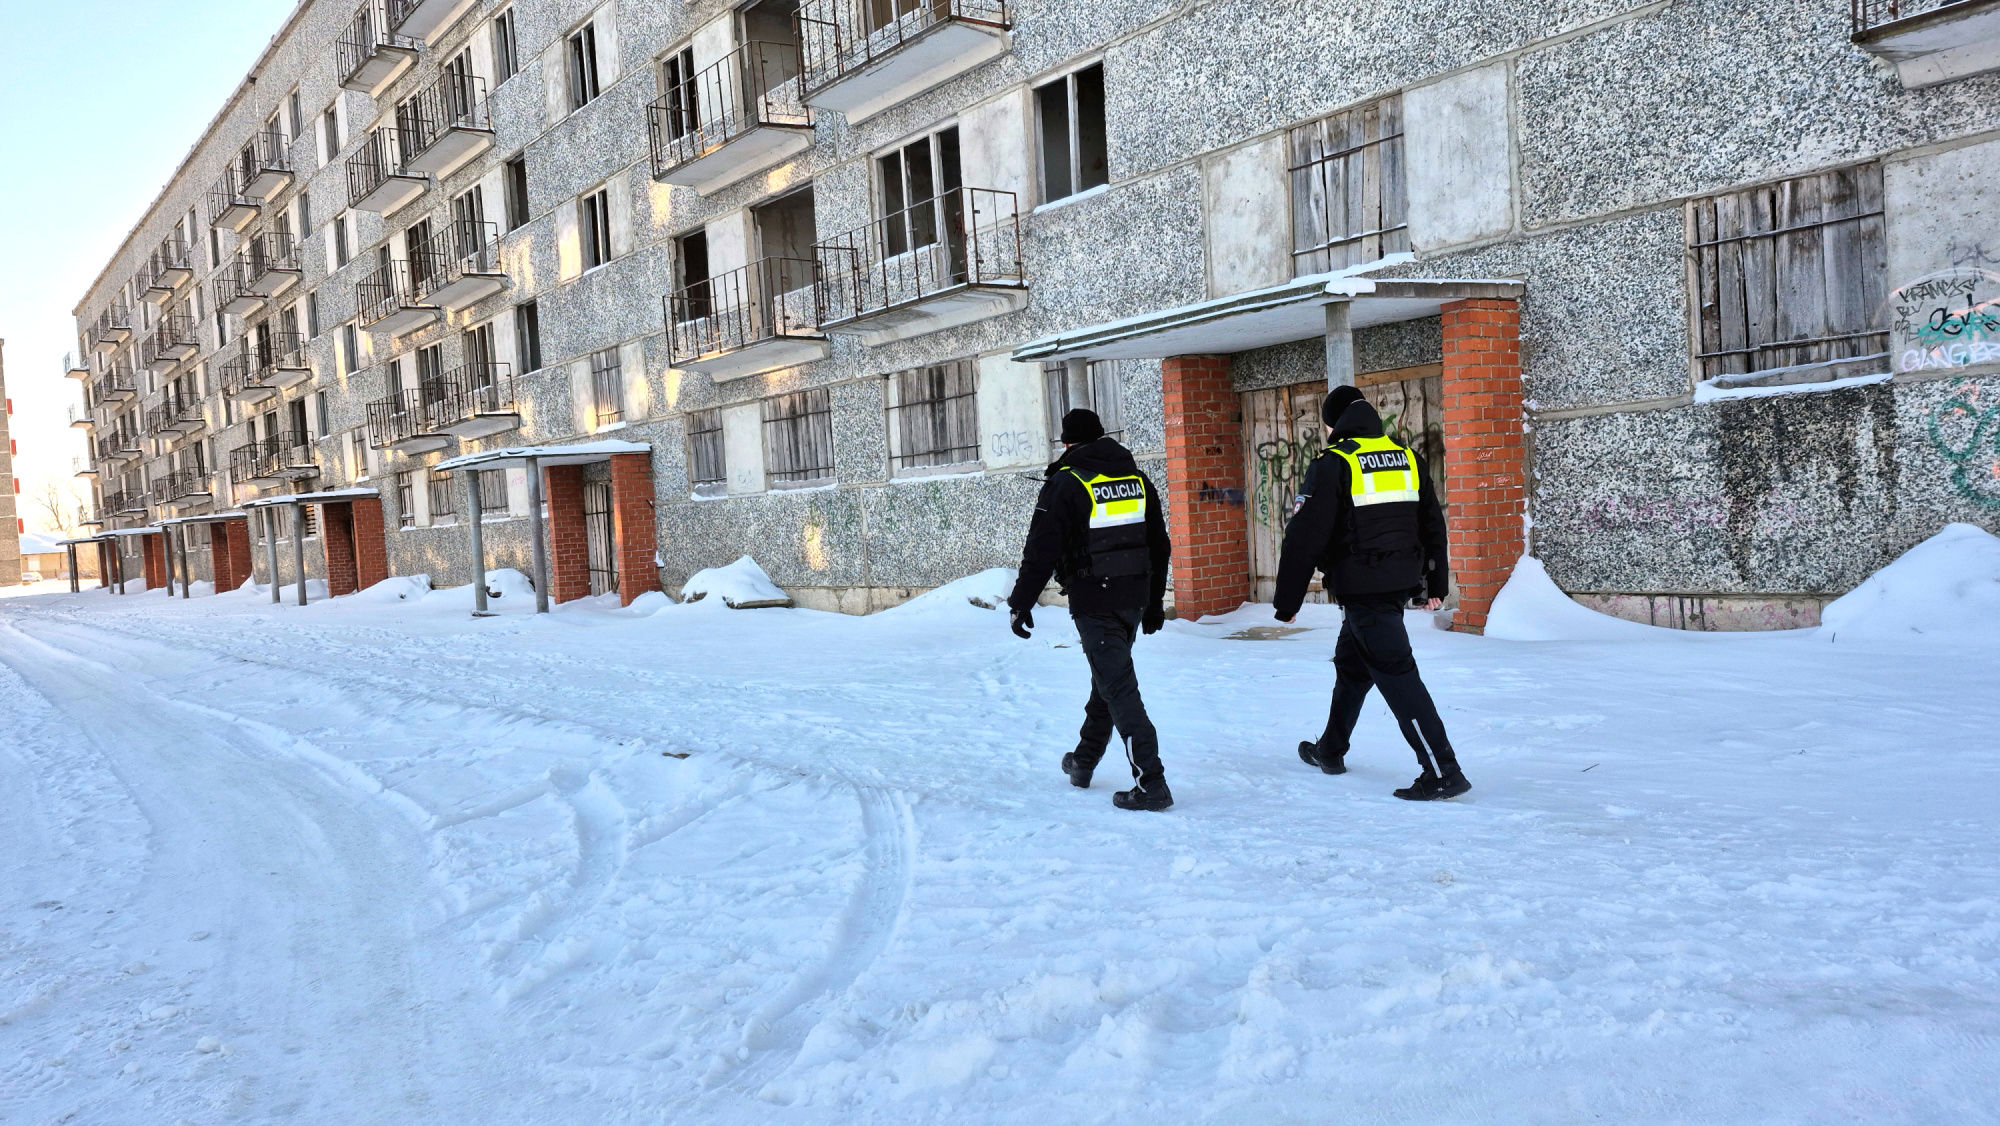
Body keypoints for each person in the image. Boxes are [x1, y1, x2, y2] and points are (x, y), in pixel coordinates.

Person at [1273, 386, 1469, 800]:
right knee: (1353, 666)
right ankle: (1331, 750)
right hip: (1396, 586)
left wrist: (1287, 602)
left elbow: (1303, 538)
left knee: (1399, 679)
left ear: (1335, 422)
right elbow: (1433, 523)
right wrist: (1435, 583)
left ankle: (1442, 771)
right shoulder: (1408, 458)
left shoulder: (1335, 464)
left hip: (1364, 593)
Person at [1006, 408, 1175, 811]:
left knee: (1119, 691)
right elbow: (1159, 543)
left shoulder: (1067, 482)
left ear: (1066, 443)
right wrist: (1153, 602)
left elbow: (1041, 550)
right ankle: (1082, 762)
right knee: (1108, 683)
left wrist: (1021, 602)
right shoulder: (1136, 479)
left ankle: (1151, 783)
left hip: (1095, 602)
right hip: (1132, 601)